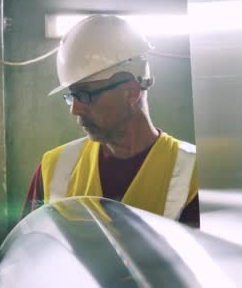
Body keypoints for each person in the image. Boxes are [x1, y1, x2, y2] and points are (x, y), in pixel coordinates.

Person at [21, 15, 199, 227]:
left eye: (85, 95)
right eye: (71, 95)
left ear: (131, 92)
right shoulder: (53, 168)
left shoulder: (193, 174)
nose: (75, 109)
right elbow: (29, 251)